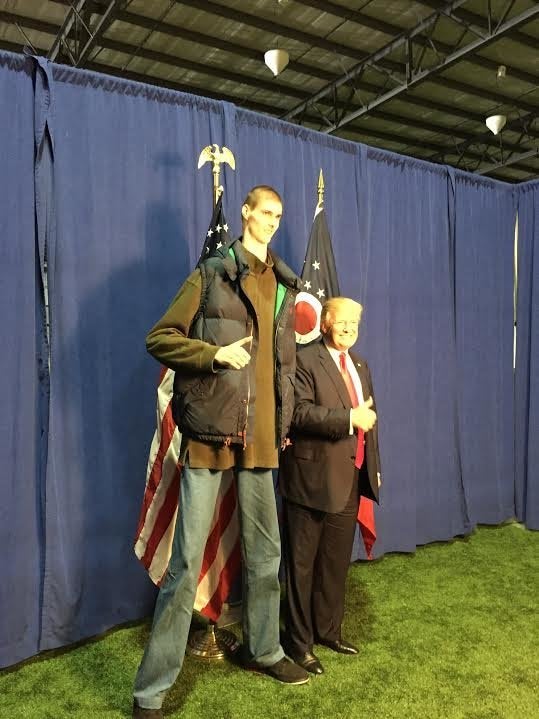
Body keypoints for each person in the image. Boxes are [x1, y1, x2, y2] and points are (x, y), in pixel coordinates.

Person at [133, 186, 308, 719]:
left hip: (261, 439)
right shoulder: (211, 273)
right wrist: (212, 355)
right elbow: (159, 338)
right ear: (246, 214)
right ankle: (151, 691)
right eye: (265, 213)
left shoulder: (283, 283)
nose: (272, 222)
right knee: (187, 563)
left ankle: (264, 650)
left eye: (280, 215)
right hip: (210, 436)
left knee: (265, 555)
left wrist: (284, 415)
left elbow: (283, 368)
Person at [279, 297, 381, 676]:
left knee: (334, 564)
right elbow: (298, 414)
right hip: (308, 480)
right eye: (343, 322)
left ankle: (328, 631)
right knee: (302, 567)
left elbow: (370, 420)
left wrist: (371, 472)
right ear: (325, 322)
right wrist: (349, 417)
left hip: (348, 481)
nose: (349, 328)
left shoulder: (360, 365)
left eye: (355, 322)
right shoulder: (304, 360)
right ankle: (298, 642)